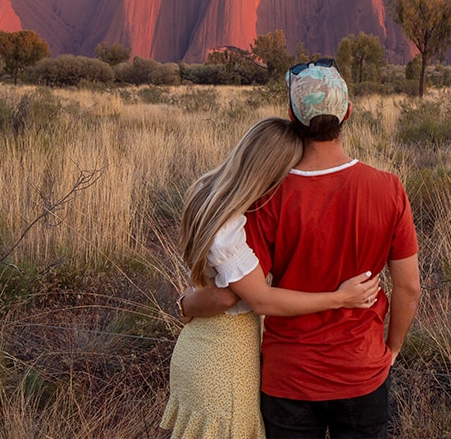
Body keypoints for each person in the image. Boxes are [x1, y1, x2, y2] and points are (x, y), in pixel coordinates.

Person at [183, 59, 421, 438]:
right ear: (348, 112)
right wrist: (390, 352)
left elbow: (240, 293)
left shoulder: (265, 196)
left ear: (291, 116)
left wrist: (187, 303)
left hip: (289, 377)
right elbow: (409, 287)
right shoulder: (388, 188)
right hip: (362, 370)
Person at [160, 117, 381, 439]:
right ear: (272, 171)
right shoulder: (230, 227)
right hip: (225, 357)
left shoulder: (205, 190)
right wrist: (341, 298)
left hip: (201, 345)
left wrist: (185, 303)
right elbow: (242, 297)